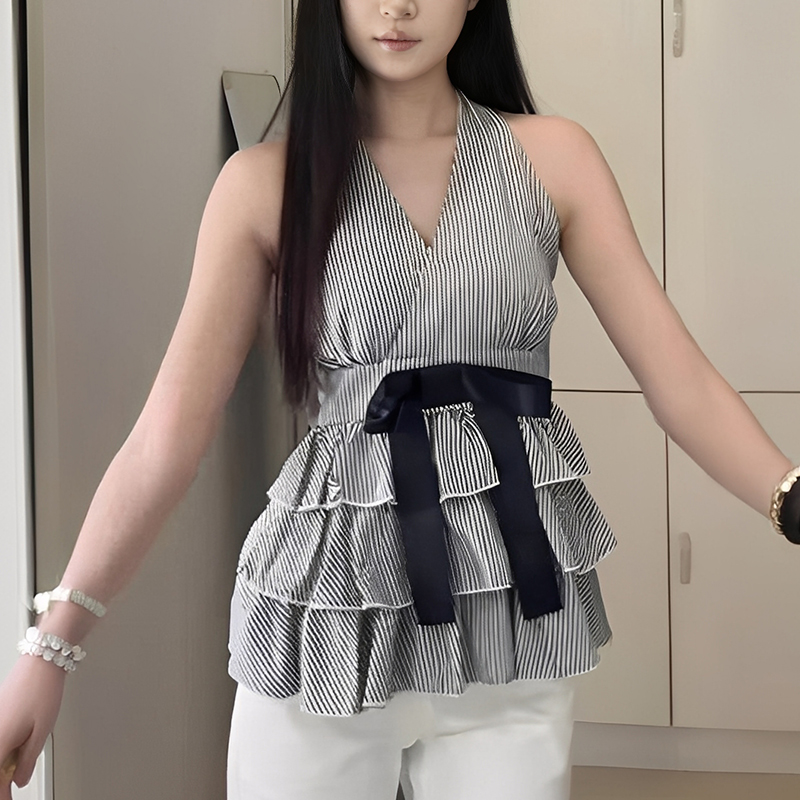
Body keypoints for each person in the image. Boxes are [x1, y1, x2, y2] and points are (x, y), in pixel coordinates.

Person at [2, 0, 799, 798]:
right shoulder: (264, 183)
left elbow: (679, 378)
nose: (398, 6)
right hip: (326, 621)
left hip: (506, 627)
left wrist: (791, 500)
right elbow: (168, 432)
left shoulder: (554, 158)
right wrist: (51, 648)